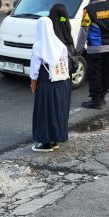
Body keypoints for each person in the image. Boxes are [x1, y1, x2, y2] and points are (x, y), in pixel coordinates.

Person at [29, 15, 71, 152]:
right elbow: (65, 64)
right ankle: (55, 140)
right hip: (62, 83)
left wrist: (33, 85)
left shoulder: (38, 46)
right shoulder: (60, 45)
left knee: (44, 112)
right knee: (58, 111)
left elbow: (34, 70)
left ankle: (45, 143)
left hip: (46, 83)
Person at [76, 0, 109, 110]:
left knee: (95, 74)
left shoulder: (88, 10)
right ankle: (103, 97)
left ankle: (95, 101)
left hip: (95, 48)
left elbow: (84, 29)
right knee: (107, 72)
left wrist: (78, 49)